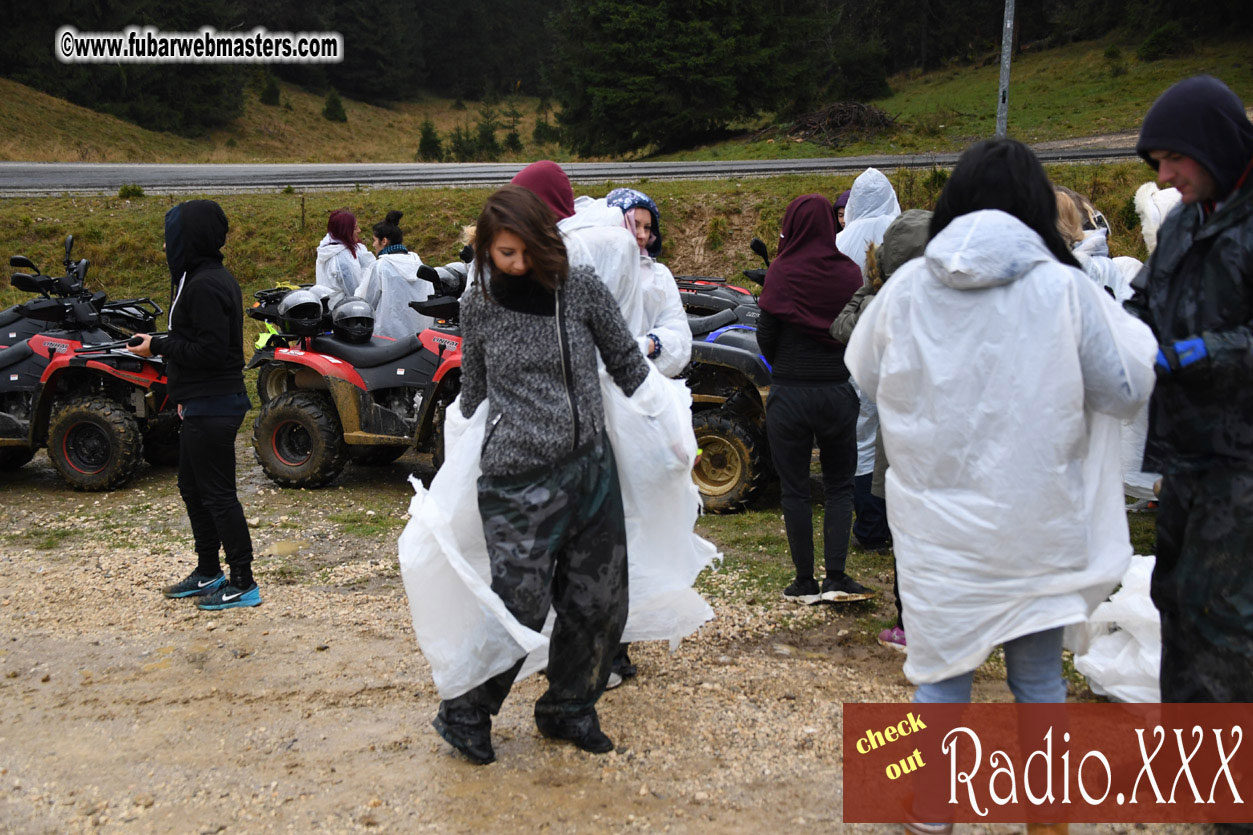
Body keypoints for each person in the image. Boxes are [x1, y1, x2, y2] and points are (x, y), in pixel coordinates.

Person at [845, 138, 1155, 713]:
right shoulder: (1066, 289)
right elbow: (1127, 386)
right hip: (1034, 530)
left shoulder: (909, 289)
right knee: (1039, 688)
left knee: (939, 689)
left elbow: (864, 371)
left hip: (938, 535)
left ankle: (935, 805)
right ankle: (1042, 803)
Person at [430, 186, 652, 765]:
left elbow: (627, 362)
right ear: (486, 250)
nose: (519, 264)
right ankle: (466, 710)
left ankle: (569, 708)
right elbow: (473, 389)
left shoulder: (579, 288)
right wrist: (456, 456)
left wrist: (670, 436)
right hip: (516, 479)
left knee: (598, 599)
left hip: (590, 469)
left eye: (528, 250)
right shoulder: (477, 304)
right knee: (519, 602)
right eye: (506, 253)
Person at [1126, 74, 1253, 703]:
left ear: (1213, 146)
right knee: (1174, 598)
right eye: (1158, 162)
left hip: (1243, 464)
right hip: (1185, 457)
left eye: (1175, 158)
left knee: (1227, 621)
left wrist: (1206, 351)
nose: (1166, 174)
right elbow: (1143, 299)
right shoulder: (1180, 224)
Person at [130, 200, 260, 610]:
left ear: (191, 237)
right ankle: (209, 570)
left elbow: (210, 349)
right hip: (201, 401)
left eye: (175, 235)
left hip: (216, 402)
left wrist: (157, 345)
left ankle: (243, 581)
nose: (169, 244)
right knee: (192, 487)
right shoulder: (201, 276)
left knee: (218, 494)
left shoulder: (204, 283)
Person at [758, 194, 874, 605]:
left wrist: (787, 369)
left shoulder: (780, 273)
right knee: (840, 485)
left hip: (789, 392)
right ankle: (837, 576)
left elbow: (766, 337)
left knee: (795, 489)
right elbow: (857, 329)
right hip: (836, 390)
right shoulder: (848, 273)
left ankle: (803, 581)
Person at [829, 208, 932, 652]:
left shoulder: (887, 302)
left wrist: (869, 287)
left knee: (910, 534)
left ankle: (912, 626)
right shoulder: (958, 295)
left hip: (905, 433)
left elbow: (843, 328)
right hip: (955, 437)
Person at [837, 168, 901, 553]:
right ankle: (899, 524)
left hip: (858, 347)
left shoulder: (842, 240)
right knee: (897, 438)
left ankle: (870, 526)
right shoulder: (904, 232)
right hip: (901, 349)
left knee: (861, 438)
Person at [604, 187, 692, 378]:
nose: (642, 235)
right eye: (634, 225)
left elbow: (679, 333)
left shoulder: (659, 276)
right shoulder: (594, 269)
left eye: (647, 227)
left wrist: (650, 344)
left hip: (644, 384)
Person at [353, 210, 434, 339]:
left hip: (388, 339)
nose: (373, 245)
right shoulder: (418, 263)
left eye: (374, 240)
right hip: (420, 336)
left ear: (384, 241)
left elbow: (363, 301)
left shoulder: (380, 267)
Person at [315, 209, 375, 298]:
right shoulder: (343, 258)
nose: (359, 230)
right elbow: (355, 293)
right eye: (355, 228)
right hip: (345, 307)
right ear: (345, 231)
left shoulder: (328, 246)